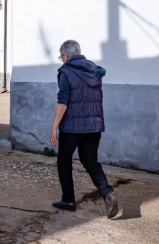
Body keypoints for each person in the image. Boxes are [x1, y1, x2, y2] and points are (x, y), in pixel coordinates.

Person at [50, 39, 119, 219]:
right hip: (93, 126)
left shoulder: (67, 71)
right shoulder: (94, 70)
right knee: (89, 161)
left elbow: (63, 102)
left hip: (73, 127)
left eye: (61, 57)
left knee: (64, 160)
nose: (61, 60)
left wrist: (54, 126)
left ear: (66, 55)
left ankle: (68, 200)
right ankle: (108, 193)